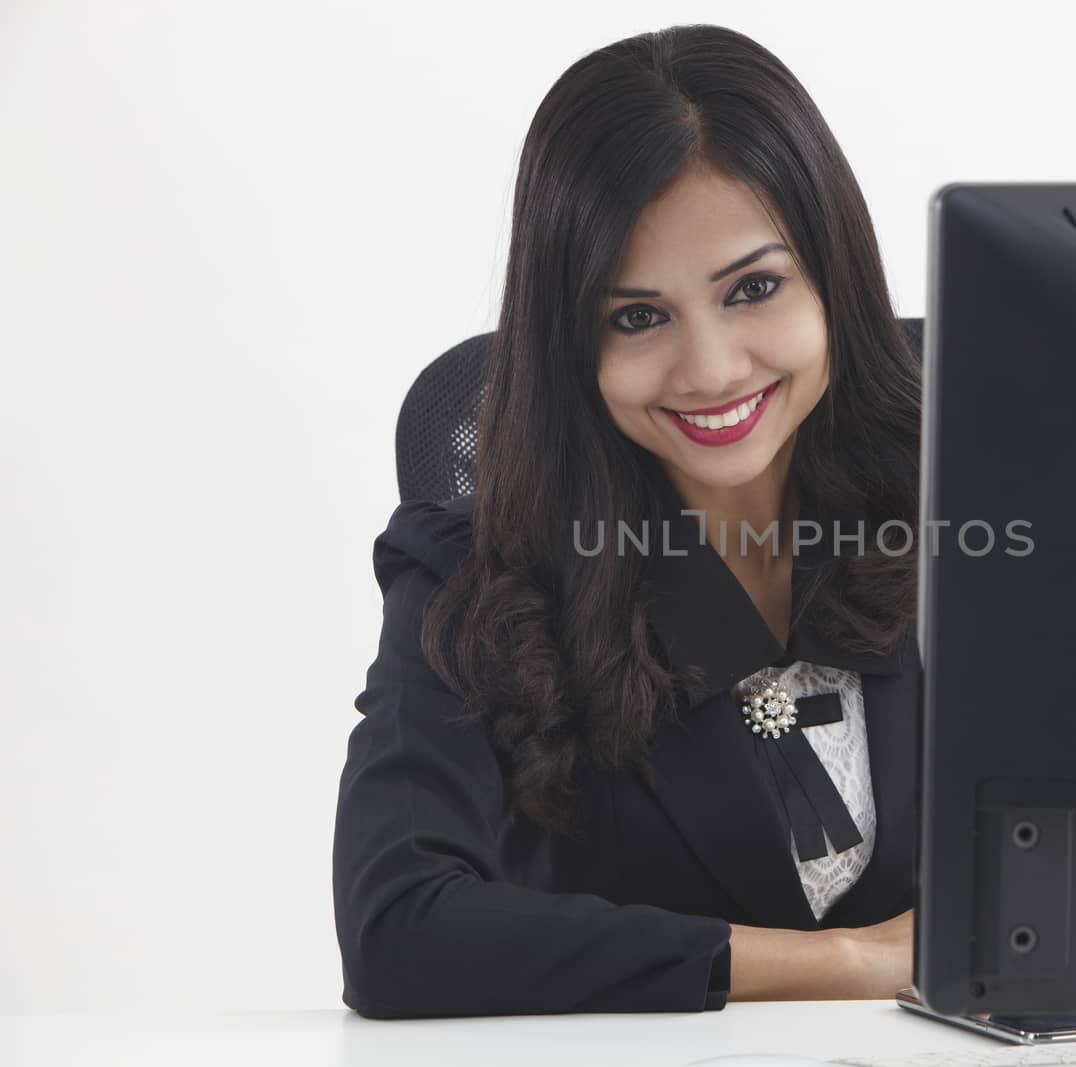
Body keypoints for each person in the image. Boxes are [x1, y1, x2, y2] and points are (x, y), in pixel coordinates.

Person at [332, 23, 923, 1019]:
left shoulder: (972, 516)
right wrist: (855, 962)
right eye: (636, 316)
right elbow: (399, 930)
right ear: (572, 342)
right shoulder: (474, 571)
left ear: (835, 283)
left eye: (753, 288)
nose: (711, 369)